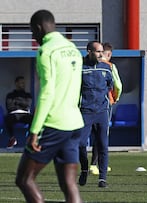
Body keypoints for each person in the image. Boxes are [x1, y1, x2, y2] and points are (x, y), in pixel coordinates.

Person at [15, 9, 84, 203]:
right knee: (69, 184)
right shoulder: (73, 49)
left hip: (54, 124)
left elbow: (47, 93)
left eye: (32, 32)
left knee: (24, 179)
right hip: (74, 124)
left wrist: (35, 131)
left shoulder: (46, 51)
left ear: (38, 27)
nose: (33, 36)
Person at [78, 41, 113, 188]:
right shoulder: (80, 68)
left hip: (102, 111)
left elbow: (110, 85)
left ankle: (102, 178)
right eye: (98, 52)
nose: (101, 54)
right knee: (80, 144)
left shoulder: (106, 68)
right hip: (85, 111)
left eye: (102, 52)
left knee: (103, 145)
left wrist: (108, 101)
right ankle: (84, 169)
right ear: (89, 52)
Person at [89, 42, 122, 175]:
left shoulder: (87, 65)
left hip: (87, 104)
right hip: (104, 104)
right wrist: (116, 98)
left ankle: (89, 165)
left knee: (87, 134)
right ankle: (97, 165)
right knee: (101, 135)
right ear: (108, 54)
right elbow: (118, 85)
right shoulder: (109, 66)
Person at [4, 76, 33, 148]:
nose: (23, 84)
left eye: (24, 83)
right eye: (21, 83)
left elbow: (27, 105)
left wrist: (17, 102)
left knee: (33, 119)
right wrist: (22, 103)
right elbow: (9, 107)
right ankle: (12, 139)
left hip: (25, 114)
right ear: (16, 83)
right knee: (7, 118)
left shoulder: (27, 95)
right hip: (14, 113)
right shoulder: (10, 95)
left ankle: (29, 139)